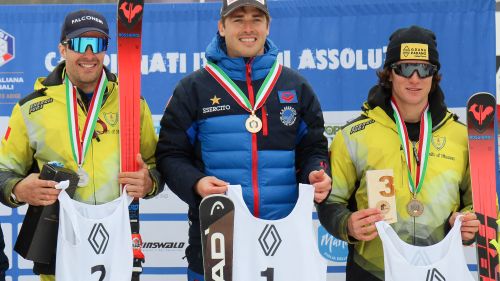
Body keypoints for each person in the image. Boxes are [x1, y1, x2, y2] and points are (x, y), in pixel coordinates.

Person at [155, 0, 331, 279]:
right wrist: (196, 183)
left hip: (283, 238)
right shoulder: (194, 88)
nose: (248, 28)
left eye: (256, 19)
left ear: (267, 26)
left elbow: (314, 148)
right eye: (237, 19)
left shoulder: (295, 86)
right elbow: (170, 154)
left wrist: (317, 172)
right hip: (217, 240)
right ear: (222, 27)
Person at [0, 9, 163, 281]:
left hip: (118, 240)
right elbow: (3, 171)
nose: (89, 54)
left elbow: (157, 164)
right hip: (58, 239)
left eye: (97, 44)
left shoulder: (131, 100)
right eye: (78, 44)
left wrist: (150, 183)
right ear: (62, 49)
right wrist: (17, 188)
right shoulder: (31, 109)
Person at [317, 25, 480, 280]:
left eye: (425, 68)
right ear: (389, 74)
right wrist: (347, 224)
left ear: (434, 75)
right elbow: (330, 201)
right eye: (404, 68)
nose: (414, 78)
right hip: (373, 270)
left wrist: (470, 223)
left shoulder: (461, 137)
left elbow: (478, 205)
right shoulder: (353, 135)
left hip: (440, 269)